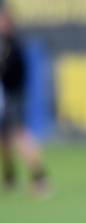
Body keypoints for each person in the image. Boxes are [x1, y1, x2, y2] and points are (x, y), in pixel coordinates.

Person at [0, 8, 48, 195]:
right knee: (4, 140)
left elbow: (14, 75)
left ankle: (40, 177)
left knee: (20, 136)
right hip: (6, 98)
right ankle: (10, 177)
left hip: (12, 98)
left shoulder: (13, 45)